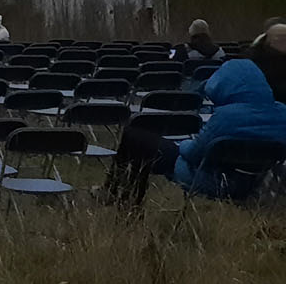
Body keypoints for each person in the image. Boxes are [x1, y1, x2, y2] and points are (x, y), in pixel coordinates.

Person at [106, 24, 286, 209]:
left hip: (211, 180)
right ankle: (121, 201)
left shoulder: (226, 117)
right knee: (139, 145)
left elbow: (194, 154)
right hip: (253, 184)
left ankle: (120, 201)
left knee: (136, 141)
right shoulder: (281, 112)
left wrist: (183, 144)